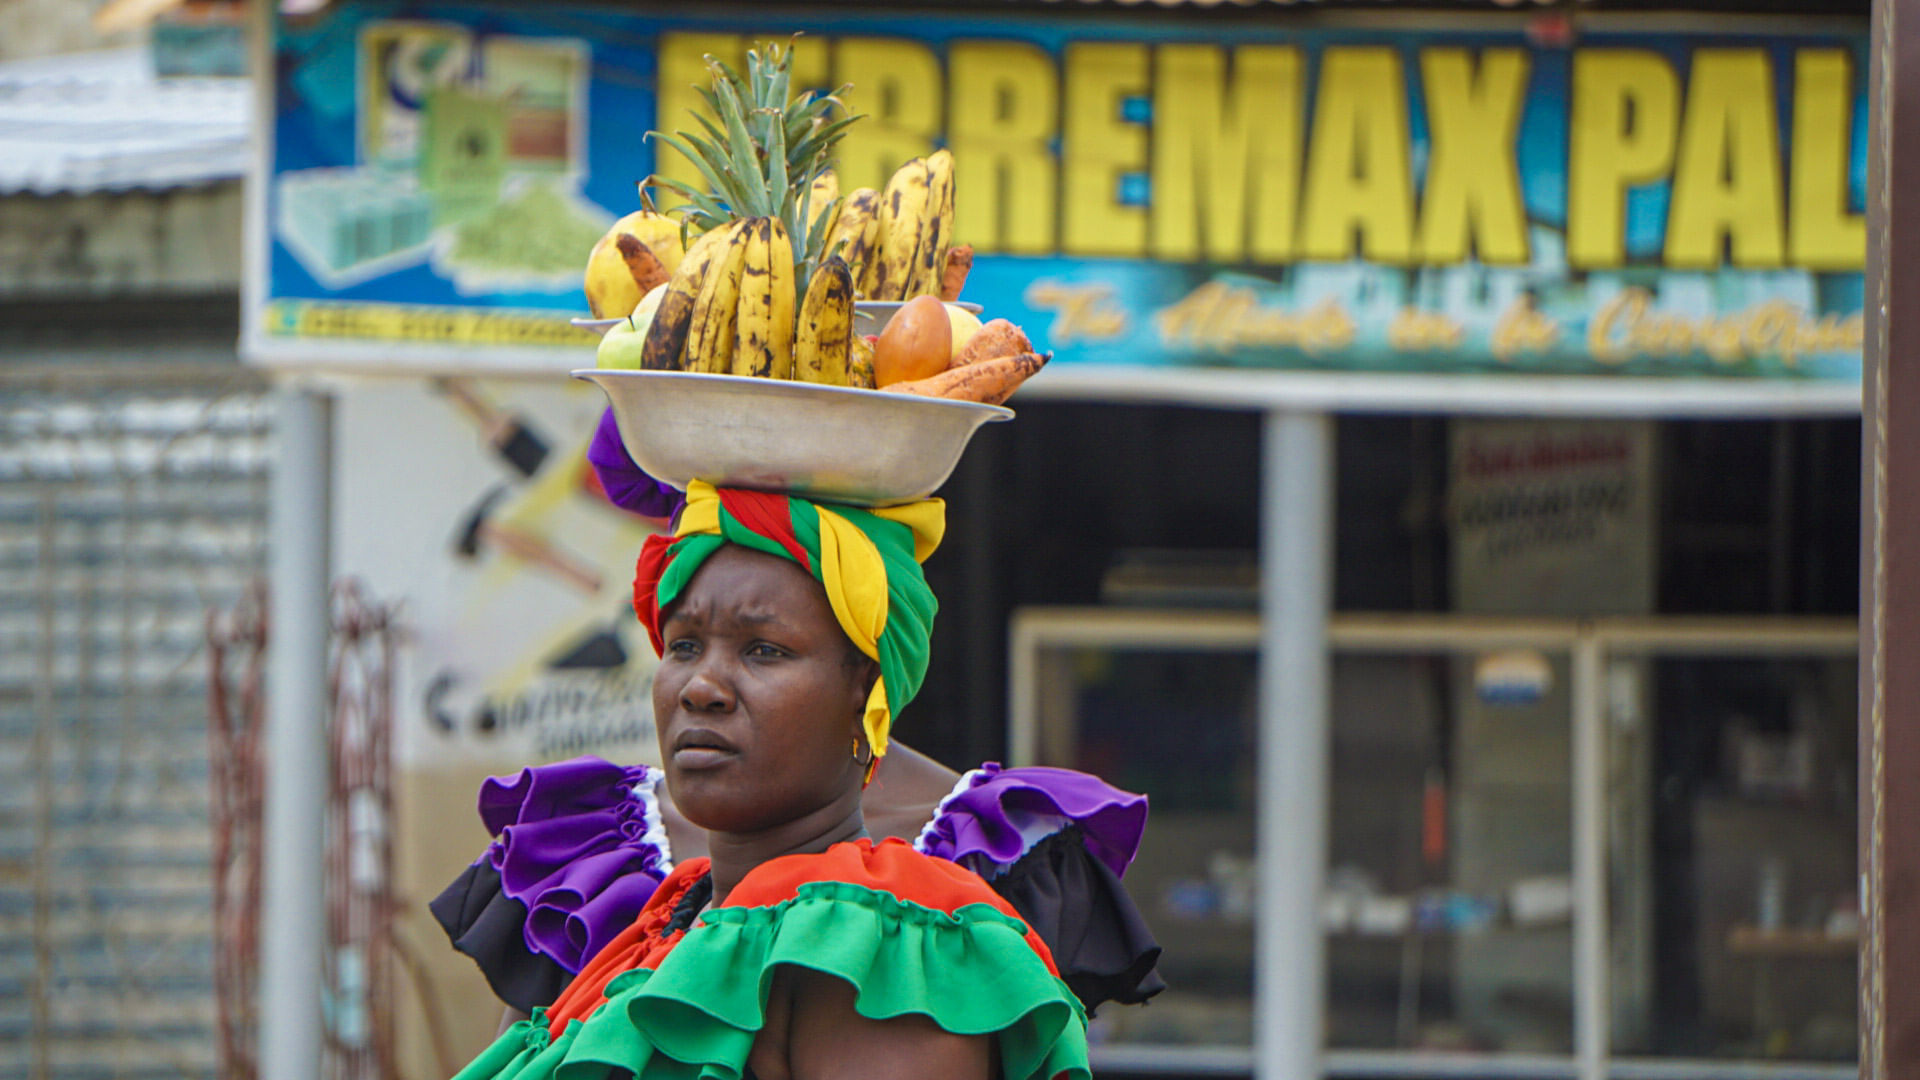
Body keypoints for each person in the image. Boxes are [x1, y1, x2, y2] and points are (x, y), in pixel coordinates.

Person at [437, 481, 1158, 1080]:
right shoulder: (652, 933)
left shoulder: (887, 955)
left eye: (764, 650)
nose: (702, 687)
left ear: (865, 690)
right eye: (683, 645)